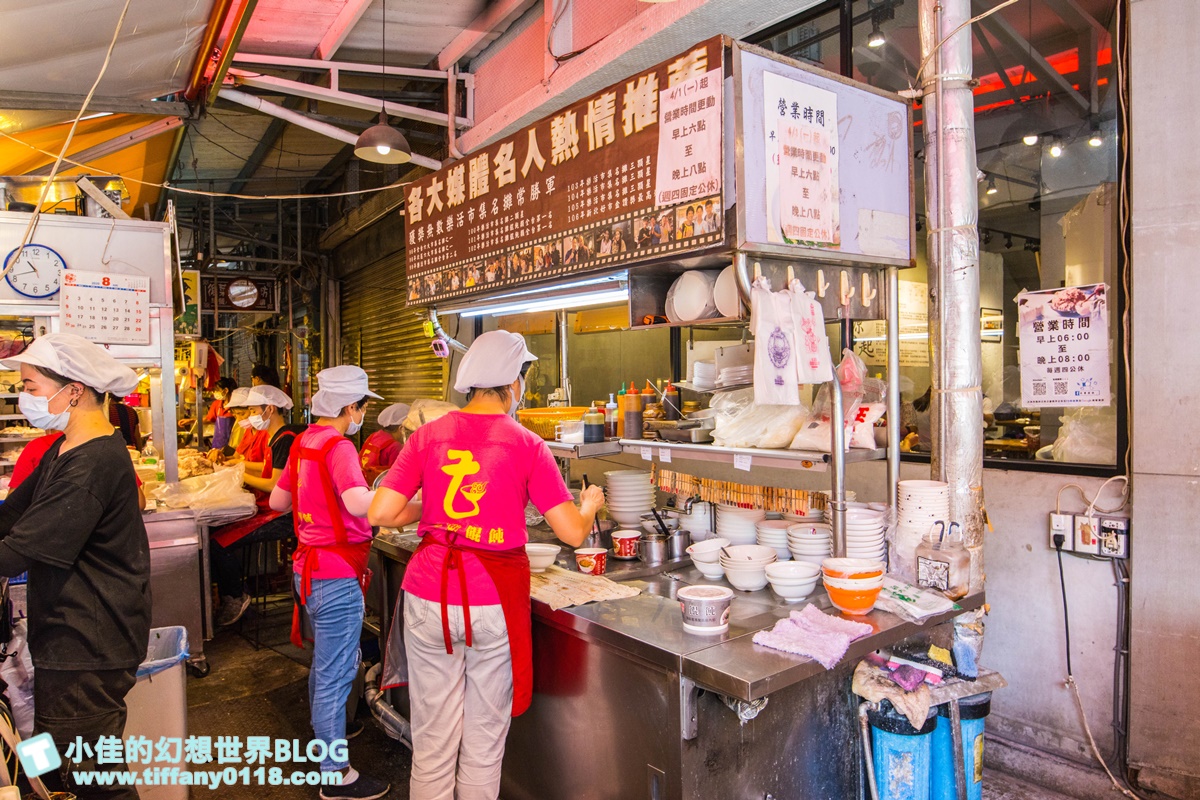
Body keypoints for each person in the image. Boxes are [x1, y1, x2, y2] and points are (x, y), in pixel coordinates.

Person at [369, 331, 605, 800]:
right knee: (482, 744)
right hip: (491, 599)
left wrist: (431, 510)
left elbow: (380, 513)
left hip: (428, 595)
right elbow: (572, 533)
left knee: (433, 744)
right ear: (513, 383)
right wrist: (591, 503)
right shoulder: (527, 444)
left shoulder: (427, 436)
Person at [0, 333, 150, 800]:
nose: (25, 397)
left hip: (89, 641)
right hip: (64, 633)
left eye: (31, 386)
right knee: (50, 749)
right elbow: (11, 515)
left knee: (92, 775)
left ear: (75, 389)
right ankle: (37, 790)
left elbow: (16, 549)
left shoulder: (93, 463)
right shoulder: (61, 450)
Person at [269, 366, 388, 800]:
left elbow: (279, 500)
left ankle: (327, 735)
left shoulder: (303, 441)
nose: (362, 416)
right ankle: (335, 773)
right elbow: (359, 504)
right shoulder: (339, 446)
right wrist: (401, 498)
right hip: (336, 573)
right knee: (336, 672)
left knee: (326, 665)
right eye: (361, 408)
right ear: (350, 407)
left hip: (308, 570)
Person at [209, 384, 305, 627]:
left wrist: (238, 474)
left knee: (219, 542)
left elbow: (274, 484)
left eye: (252, 410)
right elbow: (264, 468)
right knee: (214, 533)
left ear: (269, 409)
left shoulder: (286, 439)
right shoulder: (275, 438)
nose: (249, 416)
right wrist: (235, 466)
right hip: (270, 508)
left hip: (284, 514)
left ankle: (236, 596)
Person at [360, 402, 410, 487]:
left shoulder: (374, 436)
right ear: (401, 428)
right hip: (378, 488)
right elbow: (397, 476)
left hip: (362, 483)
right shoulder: (395, 446)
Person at [204, 377, 238, 451]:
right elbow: (209, 419)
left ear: (225, 390)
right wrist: (191, 421)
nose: (214, 393)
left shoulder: (237, 406)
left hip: (234, 446)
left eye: (216, 390)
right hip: (217, 445)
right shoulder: (216, 404)